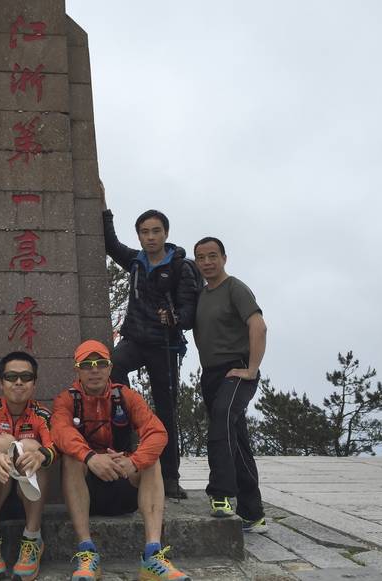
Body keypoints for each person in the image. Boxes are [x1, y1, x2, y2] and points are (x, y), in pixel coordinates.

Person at [52, 340, 191, 581]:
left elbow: (157, 432)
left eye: (100, 363)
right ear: (77, 370)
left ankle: (153, 554)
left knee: (151, 461)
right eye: (86, 365)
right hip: (87, 491)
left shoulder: (127, 396)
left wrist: (134, 462)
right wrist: (91, 457)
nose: (94, 370)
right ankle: (87, 552)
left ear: (110, 367)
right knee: (71, 460)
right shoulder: (66, 400)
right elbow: (60, 431)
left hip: (124, 482)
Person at [102, 199, 199, 499]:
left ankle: (170, 477)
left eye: (156, 231)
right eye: (144, 232)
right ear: (139, 236)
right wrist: (104, 206)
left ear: (166, 233)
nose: (150, 237)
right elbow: (110, 244)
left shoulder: (181, 267)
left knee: (166, 411)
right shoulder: (136, 261)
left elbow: (190, 312)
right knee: (113, 374)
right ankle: (126, 446)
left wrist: (174, 318)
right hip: (134, 340)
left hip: (164, 345)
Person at [192, 237, 268, 533]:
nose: (207, 262)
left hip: (236, 370)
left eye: (213, 256)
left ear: (224, 258)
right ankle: (253, 513)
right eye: (201, 257)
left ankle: (220, 494)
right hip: (210, 375)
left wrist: (252, 369)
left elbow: (258, 325)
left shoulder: (235, 288)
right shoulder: (201, 295)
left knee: (222, 419)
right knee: (236, 439)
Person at [0, 351, 57, 581]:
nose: (19, 382)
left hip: (30, 497)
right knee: (2, 442)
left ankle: (32, 537)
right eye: (11, 377)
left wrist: (40, 456)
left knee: (32, 448)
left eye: (26, 377)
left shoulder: (42, 414)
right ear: (1, 383)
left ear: (34, 383)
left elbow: (55, 446)